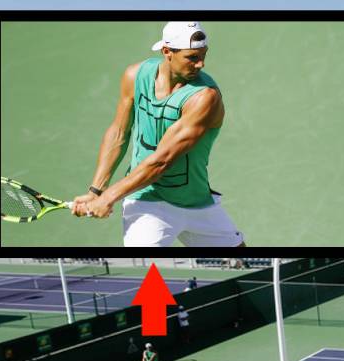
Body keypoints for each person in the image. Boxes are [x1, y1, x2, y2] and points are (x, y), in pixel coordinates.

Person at [71, 21, 244, 247]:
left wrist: (109, 197)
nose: (201, 64)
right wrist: (96, 190)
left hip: (197, 202)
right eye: (192, 57)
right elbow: (119, 132)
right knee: (149, 276)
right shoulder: (134, 76)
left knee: (244, 263)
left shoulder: (204, 97)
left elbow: (162, 161)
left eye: (203, 55)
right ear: (167, 52)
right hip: (147, 201)